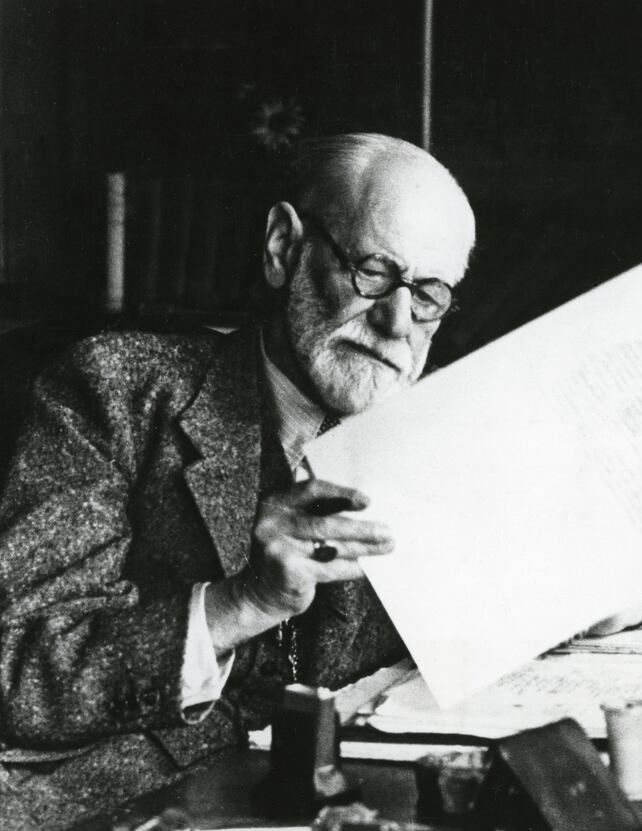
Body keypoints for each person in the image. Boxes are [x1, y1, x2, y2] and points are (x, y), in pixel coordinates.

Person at [0, 133, 476, 829]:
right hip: (128, 803)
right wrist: (240, 602)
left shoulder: (445, 435)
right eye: (373, 272)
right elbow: (16, 666)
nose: (396, 323)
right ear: (284, 247)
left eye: (429, 295)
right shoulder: (115, 392)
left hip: (348, 798)